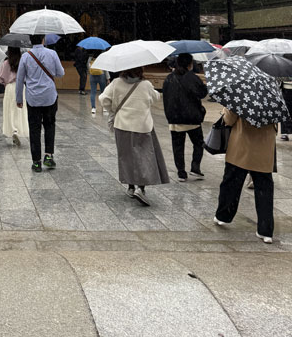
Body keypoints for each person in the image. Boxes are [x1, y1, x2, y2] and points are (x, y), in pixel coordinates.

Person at [99, 66, 169, 205]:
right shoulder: (146, 85)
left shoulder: (116, 83)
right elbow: (155, 97)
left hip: (122, 126)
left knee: (126, 157)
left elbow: (103, 99)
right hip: (142, 126)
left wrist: (113, 108)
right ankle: (141, 188)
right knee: (144, 157)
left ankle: (130, 187)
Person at [214, 108, 277, 243]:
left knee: (231, 183)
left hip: (241, 146)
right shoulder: (271, 100)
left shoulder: (240, 98)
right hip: (264, 148)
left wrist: (225, 111)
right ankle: (265, 231)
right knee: (264, 190)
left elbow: (229, 120)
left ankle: (223, 215)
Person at [15, 34, 65, 172]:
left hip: (33, 98)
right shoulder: (52, 54)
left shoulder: (25, 57)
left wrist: (19, 98)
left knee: (34, 129)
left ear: (30, 41)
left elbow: (19, 79)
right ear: (43, 39)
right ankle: (48, 156)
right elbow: (60, 73)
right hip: (49, 96)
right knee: (49, 125)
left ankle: (36, 162)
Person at [161, 53, 208, 181]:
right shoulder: (193, 78)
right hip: (192, 118)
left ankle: (181, 173)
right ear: (189, 64)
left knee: (178, 147)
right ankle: (195, 167)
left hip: (175, 119)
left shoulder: (169, 78)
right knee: (199, 143)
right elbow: (202, 94)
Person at [0, 47, 28, 146]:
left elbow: (1, 78)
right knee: (19, 110)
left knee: (10, 109)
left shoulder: (5, 63)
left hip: (9, 87)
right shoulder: (23, 61)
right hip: (21, 87)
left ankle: (13, 130)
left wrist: (5, 82)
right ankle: (18, 130)